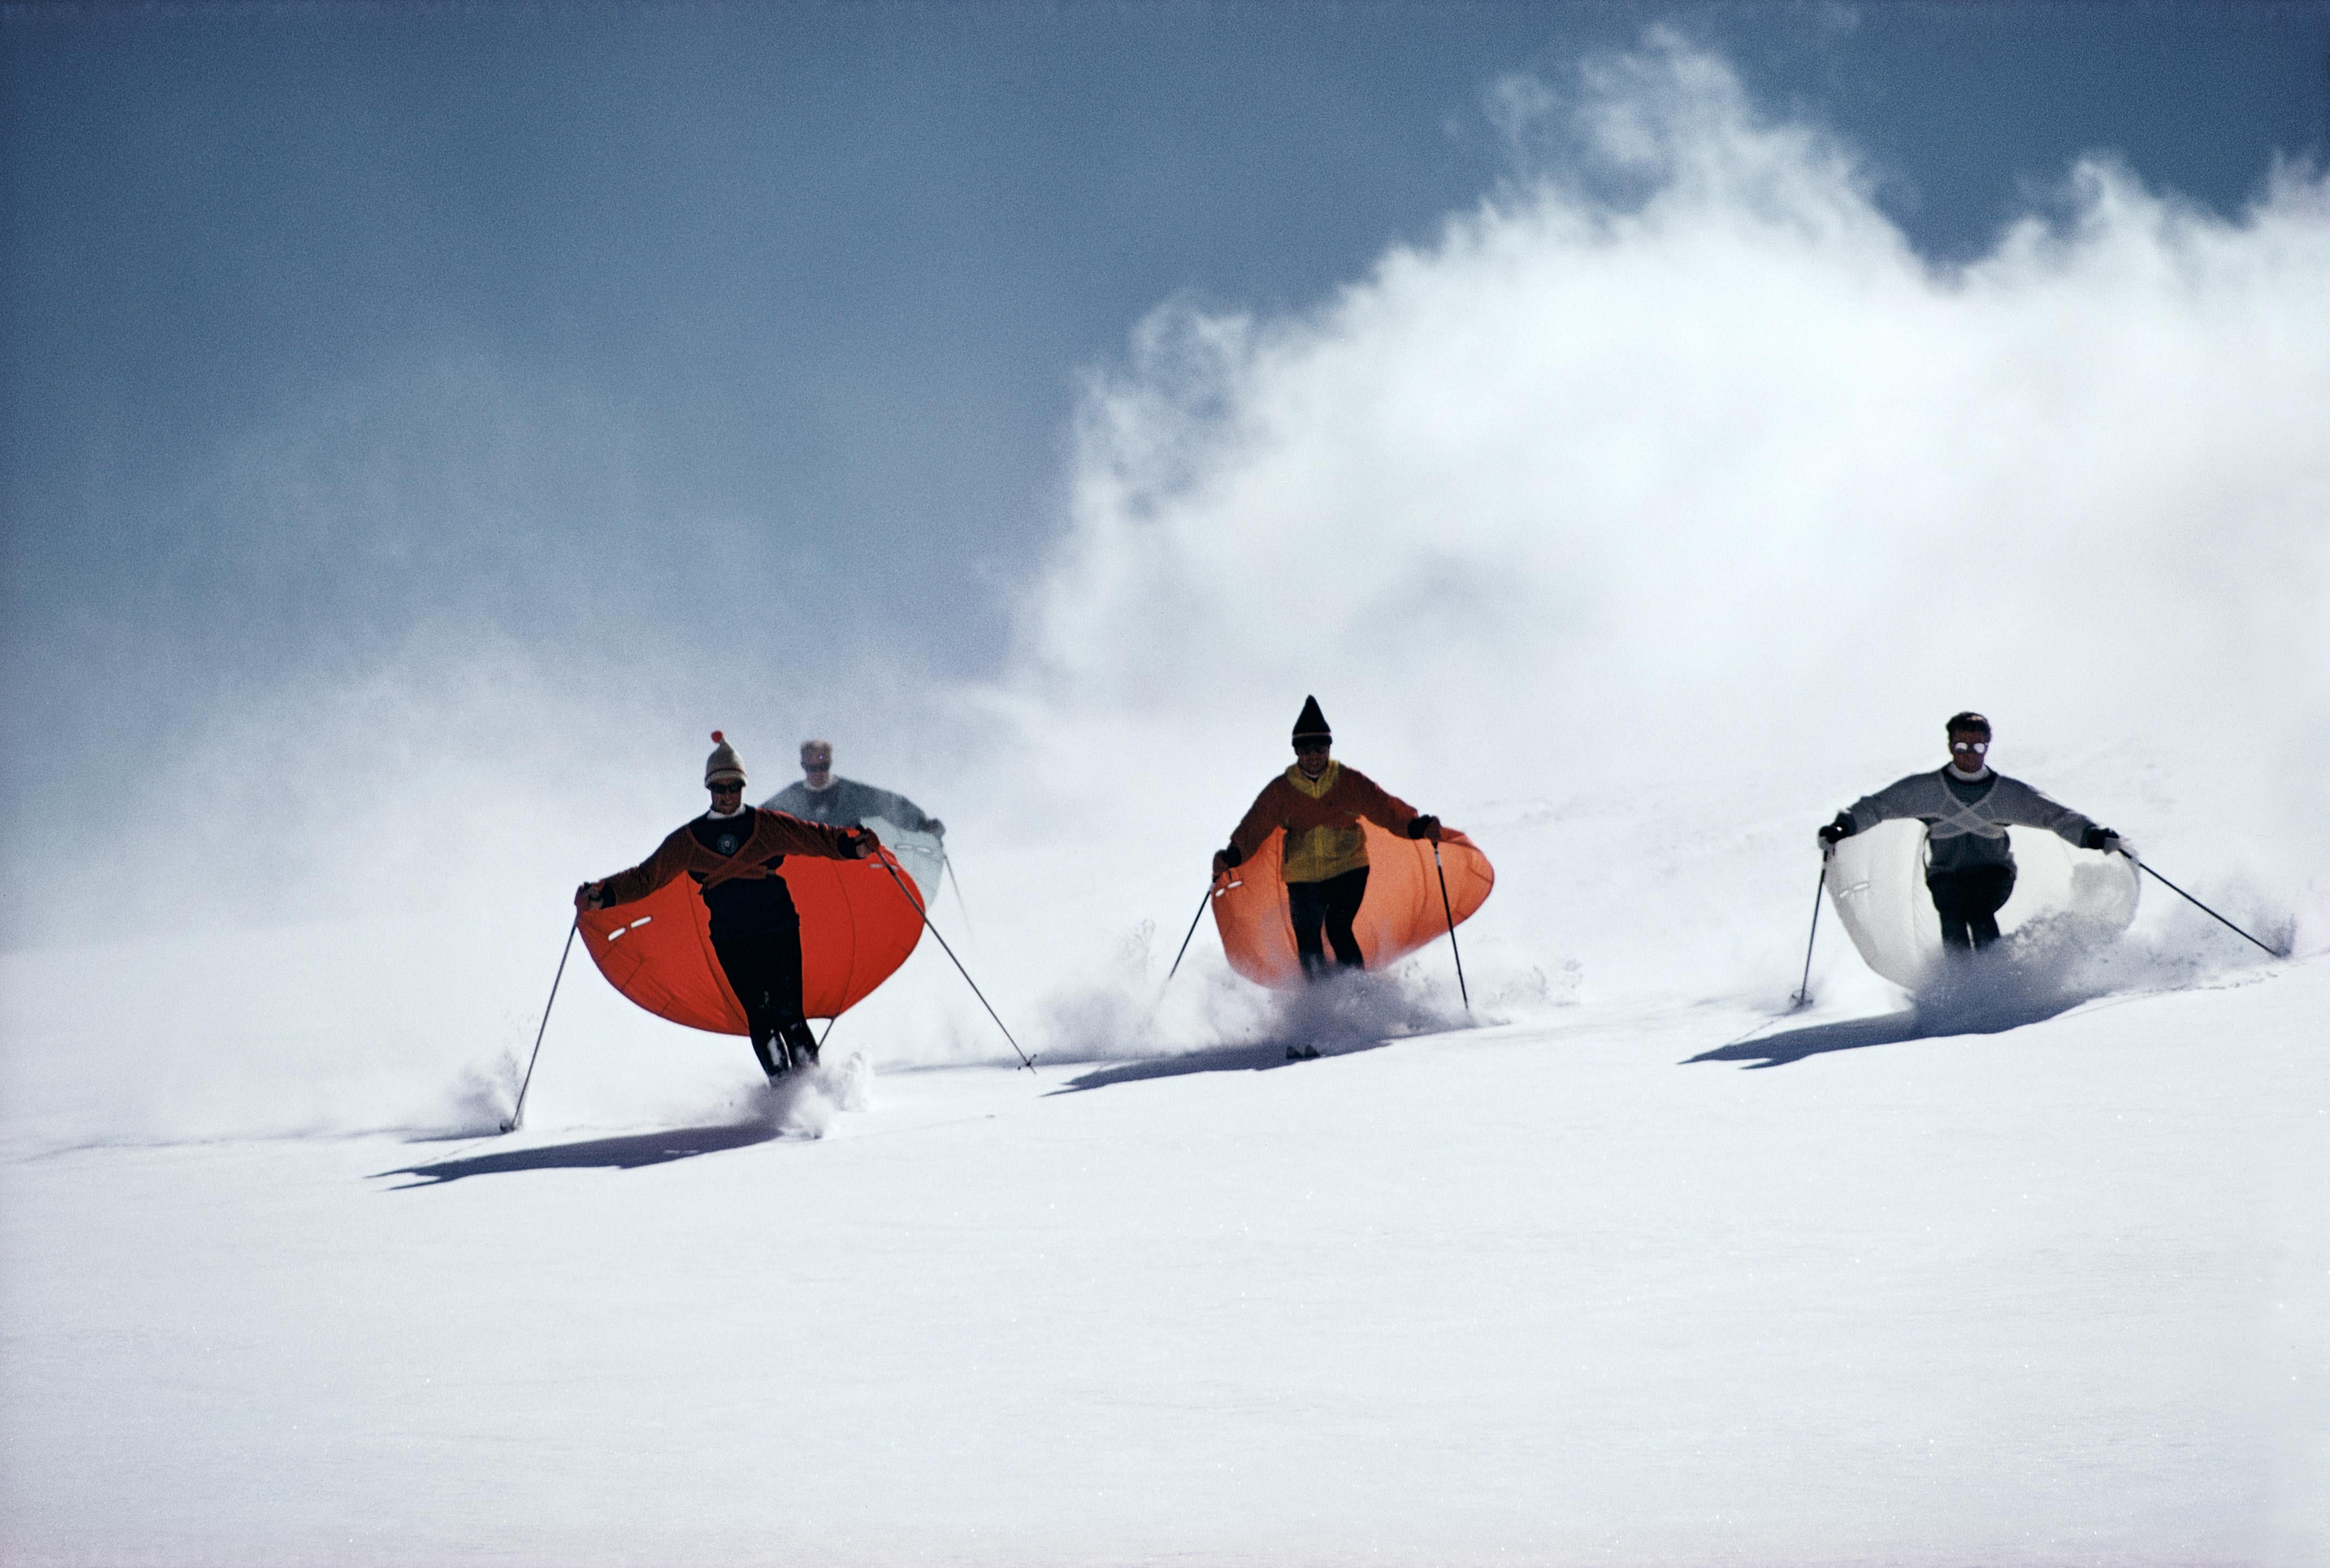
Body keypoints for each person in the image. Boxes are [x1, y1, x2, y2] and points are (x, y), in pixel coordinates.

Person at [579, 731, 881, 1079]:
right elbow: (647, 877)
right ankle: (786, 1095)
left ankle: (815, 1090)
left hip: (778, 927)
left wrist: (854, 846)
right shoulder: (688, 841)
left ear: (742, 787)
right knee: (761, 1017)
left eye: (733, 787)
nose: (726, 795)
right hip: (732, 938)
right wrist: (603, 895)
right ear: (709, 790)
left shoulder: (766, 825)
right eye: (719, 788)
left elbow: (816, 837)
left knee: (790, 1014)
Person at [1818, 711, 2128, 953]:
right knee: (1952, 914)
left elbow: (2054, 816)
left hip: (1994, 874)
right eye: (1962, 746)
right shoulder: (1926, 791)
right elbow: (1877, 807)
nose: (1970, 754)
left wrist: (2093, 835)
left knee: (1979, 912)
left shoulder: (2005, 794)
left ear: (1987, 747)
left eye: (1978, 746)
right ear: (1951, 746)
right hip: (1946, 875)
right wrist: (1843, 827)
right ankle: (1959, 987)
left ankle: (1994, 981)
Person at [1214, 697, 1442, 1001]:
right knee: (1308, 940)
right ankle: (1322, 1007)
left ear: (1329, 749)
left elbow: (1384, 809)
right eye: (1306, 750)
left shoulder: (1348, 782)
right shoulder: (1281, 791)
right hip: (1302, 876)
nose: (1313, 757)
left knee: (1338, 926)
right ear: (1297, 753)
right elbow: (1255, 827)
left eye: (1319, 749)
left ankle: (1359, 998)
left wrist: (1418, 826)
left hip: (1349, 867)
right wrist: (1232, 855)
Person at [762, 739, 944, 838]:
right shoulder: (791, 798)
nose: (818, 774)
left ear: (830, 764)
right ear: (803, 766)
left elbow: (887, 805)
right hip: (808, 867)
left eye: (823, 767)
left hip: (846, 862)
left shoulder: (851, 794)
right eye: (811, 768)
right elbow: (758, 819)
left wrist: (922, 823)